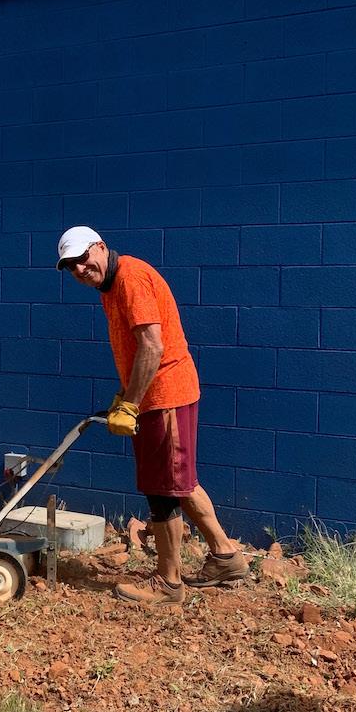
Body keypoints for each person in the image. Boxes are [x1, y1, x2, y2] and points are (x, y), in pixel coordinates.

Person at [56, 226, 249, 606]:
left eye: (82, 257)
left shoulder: (130, 278)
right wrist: (126, 395)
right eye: (70, 265)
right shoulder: (111, 286)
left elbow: (151, 345)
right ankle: (226, 556)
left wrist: (130, 403)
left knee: (162, 490)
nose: (78, 268)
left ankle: (168, 582)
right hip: (156, 396)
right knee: (180, 482)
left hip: (165, 396)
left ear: (100, 247)